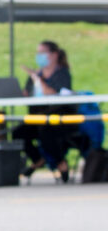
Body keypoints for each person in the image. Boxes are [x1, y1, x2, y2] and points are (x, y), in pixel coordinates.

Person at [18, 40, 77, 182]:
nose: (39, 56)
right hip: (37, 117)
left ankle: (60, 162)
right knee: (18, 132)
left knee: (46, 130)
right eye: (38, 53)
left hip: (60, 118)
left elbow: (52, 93)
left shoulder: (62, 74)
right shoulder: (35, 75)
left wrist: (38, 79)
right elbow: (28, 93)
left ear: (55, 54)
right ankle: (38, 159)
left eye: (43, 53)